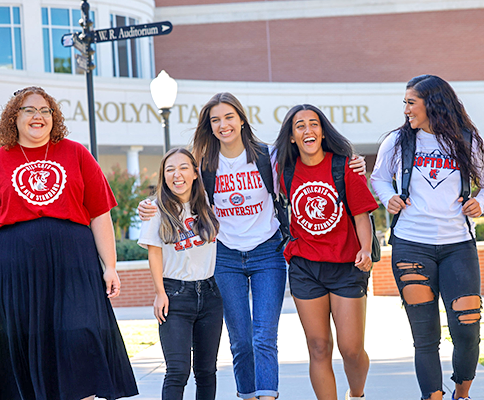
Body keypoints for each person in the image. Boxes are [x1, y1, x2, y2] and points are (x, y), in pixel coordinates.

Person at [138, 93, 365, 400]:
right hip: (226, 256)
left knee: (264, 337)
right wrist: (149, 205)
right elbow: (178, 189)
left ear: (241, 119)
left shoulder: (269, 156)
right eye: (215, 120)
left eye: (229, 117)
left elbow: (314, 159)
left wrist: (354, 162)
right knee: (241, 340)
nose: (223, 125)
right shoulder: (204, 163)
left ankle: (268, 396)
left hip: (266, 253)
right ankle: (247, 394)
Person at [0, 86, 138, 400]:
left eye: (45, 110)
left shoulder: (76, 153)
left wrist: (110, 266)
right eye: (29, 110)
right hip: (16, 276)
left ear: (54, 118)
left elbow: (99, 214)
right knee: (27, 343)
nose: (38, 116)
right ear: (14, 117)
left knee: (80, 337)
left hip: (74, 269)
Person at [370, 75, 484, 400]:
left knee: (467, 327)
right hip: (411, 244)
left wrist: (480, 203)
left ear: (432, 103)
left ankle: (462, 393)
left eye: (410, 102)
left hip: (458, 245)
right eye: (404, 103)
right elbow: (378, 178)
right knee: (425, 335)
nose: (405, 110)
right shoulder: (397, 141)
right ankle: (433, 397)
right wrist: (388, 196)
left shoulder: (467, 139)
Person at [274, 104, 376, 400]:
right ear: (292, 136)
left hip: (346, 266)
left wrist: (366, 250)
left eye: (314, 124)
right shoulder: (285, 171)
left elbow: (361, 215)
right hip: (306, 267)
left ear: (322, 130)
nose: (308, 130)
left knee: (351, 348)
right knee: (318, 346)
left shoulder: (344, 166)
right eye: (300, 126)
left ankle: (356, 394)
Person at [138, 148, 222, 400]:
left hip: (210, 294)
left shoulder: (208, 203)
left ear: (196, 173)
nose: (177, 174)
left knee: (206, 371)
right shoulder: (155, 209)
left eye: (184, 167)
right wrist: (160, 293)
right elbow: (154, 253)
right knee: (177, 371)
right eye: (170, 169)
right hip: (175, 294)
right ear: (163, 176)